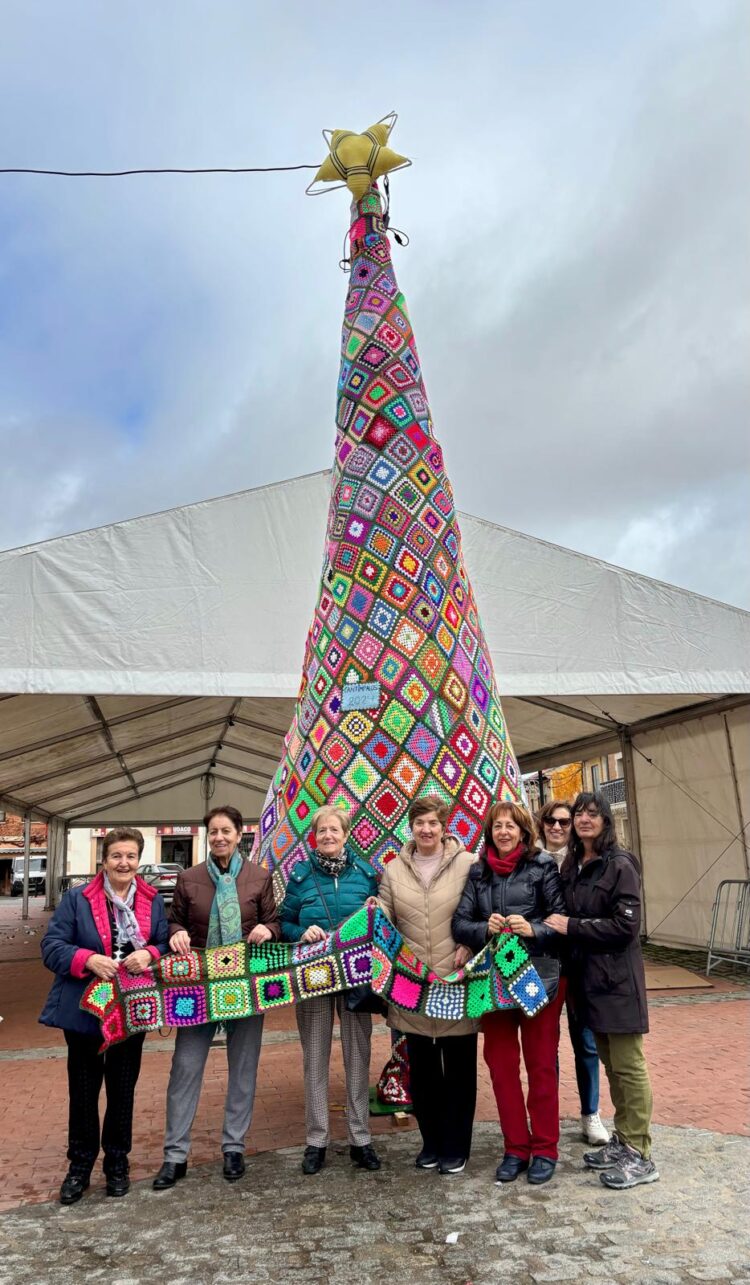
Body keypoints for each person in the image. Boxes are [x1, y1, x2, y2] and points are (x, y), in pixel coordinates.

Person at [152, 805, 280, 1190]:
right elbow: (174, 919)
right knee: (185, 1067)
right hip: (198, 988)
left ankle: (234, 1147)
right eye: (213, 832)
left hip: (244, 986)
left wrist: (267, 930)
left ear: (240, 835)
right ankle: (175, 1155)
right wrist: (175, 932)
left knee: (243, 1068)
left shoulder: (260, 877)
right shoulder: (189, 878)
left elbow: (274, 920)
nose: (219, 837)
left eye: (226, 831)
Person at [40, 826, 169, 1204]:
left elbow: (162, 942)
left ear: (138, 861)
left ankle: (117, 1162)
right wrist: (88, 959)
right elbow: (51, 947)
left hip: (132, 1009)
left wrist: (151, 954)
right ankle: (79, 1165)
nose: (123, 862)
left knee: (122, 1088)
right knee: (83, 1090)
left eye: (130, 856)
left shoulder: (152, 901)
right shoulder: (77, 899)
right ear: (104, 859)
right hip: (85, 1011)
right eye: (116, 856)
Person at [545, 791, 659, 1189]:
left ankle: (641, 1152)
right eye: (579, 813)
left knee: (629, 1066)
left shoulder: (620, 864)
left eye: (593, 814)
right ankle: (624, 1142)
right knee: (610, 1063)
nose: (583, 819)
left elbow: (626, 926)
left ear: (606, 821)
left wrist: (573, 927)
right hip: (588, 982)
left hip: (618, 982)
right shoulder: (575, 864)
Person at [452, 800, 564, 1185]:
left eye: (510, 826)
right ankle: (515, 1147)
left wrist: (533, 928)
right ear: (490, 832)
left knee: (541, 1064)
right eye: (497, 826)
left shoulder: (542, 866)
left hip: (537, 974)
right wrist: (484, 928)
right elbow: (459, 923)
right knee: (500, 1065)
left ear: (523, 830)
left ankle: (545, 1148)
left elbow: (560, 918)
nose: (503, 832)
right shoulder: (478, 871)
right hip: (494, 978)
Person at [376, 795, 477, 1175]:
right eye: (419, 823)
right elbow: (385, 914)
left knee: (459, 1070)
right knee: (422, 1072)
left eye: (433, 822)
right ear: (411, 826)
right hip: (412, 984)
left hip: (455, 981)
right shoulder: (393, 870)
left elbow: (478, 910)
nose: (426, 829)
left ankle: (457, 1146)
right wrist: (375, 911)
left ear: (444, 825)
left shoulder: (467, 864)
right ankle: (431, 1141)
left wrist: (470, 941)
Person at [280, 805, 380, 1176]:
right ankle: (317, 1139)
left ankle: (360, 1137)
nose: (327, 836)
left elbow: (382, 917)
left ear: (346, 833)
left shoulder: (366, 873)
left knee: (358, 1053)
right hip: (314, 974)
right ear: (314, 836)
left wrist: (376, 909)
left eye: (334, 830)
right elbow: (285, 921)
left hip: (355, 976)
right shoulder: (301, 875)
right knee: (315, 1056)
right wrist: (299, 934)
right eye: (321, 831)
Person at [537, 799, 608, 1148]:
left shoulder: (582, 861)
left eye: (564, 822)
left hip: (580, 965)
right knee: (545, 1046)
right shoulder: (530, 859)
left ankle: (590, 1112)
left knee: (586, 1043)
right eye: (551, 820)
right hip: (545, 965)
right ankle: (547, 1117)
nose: (557, 827)